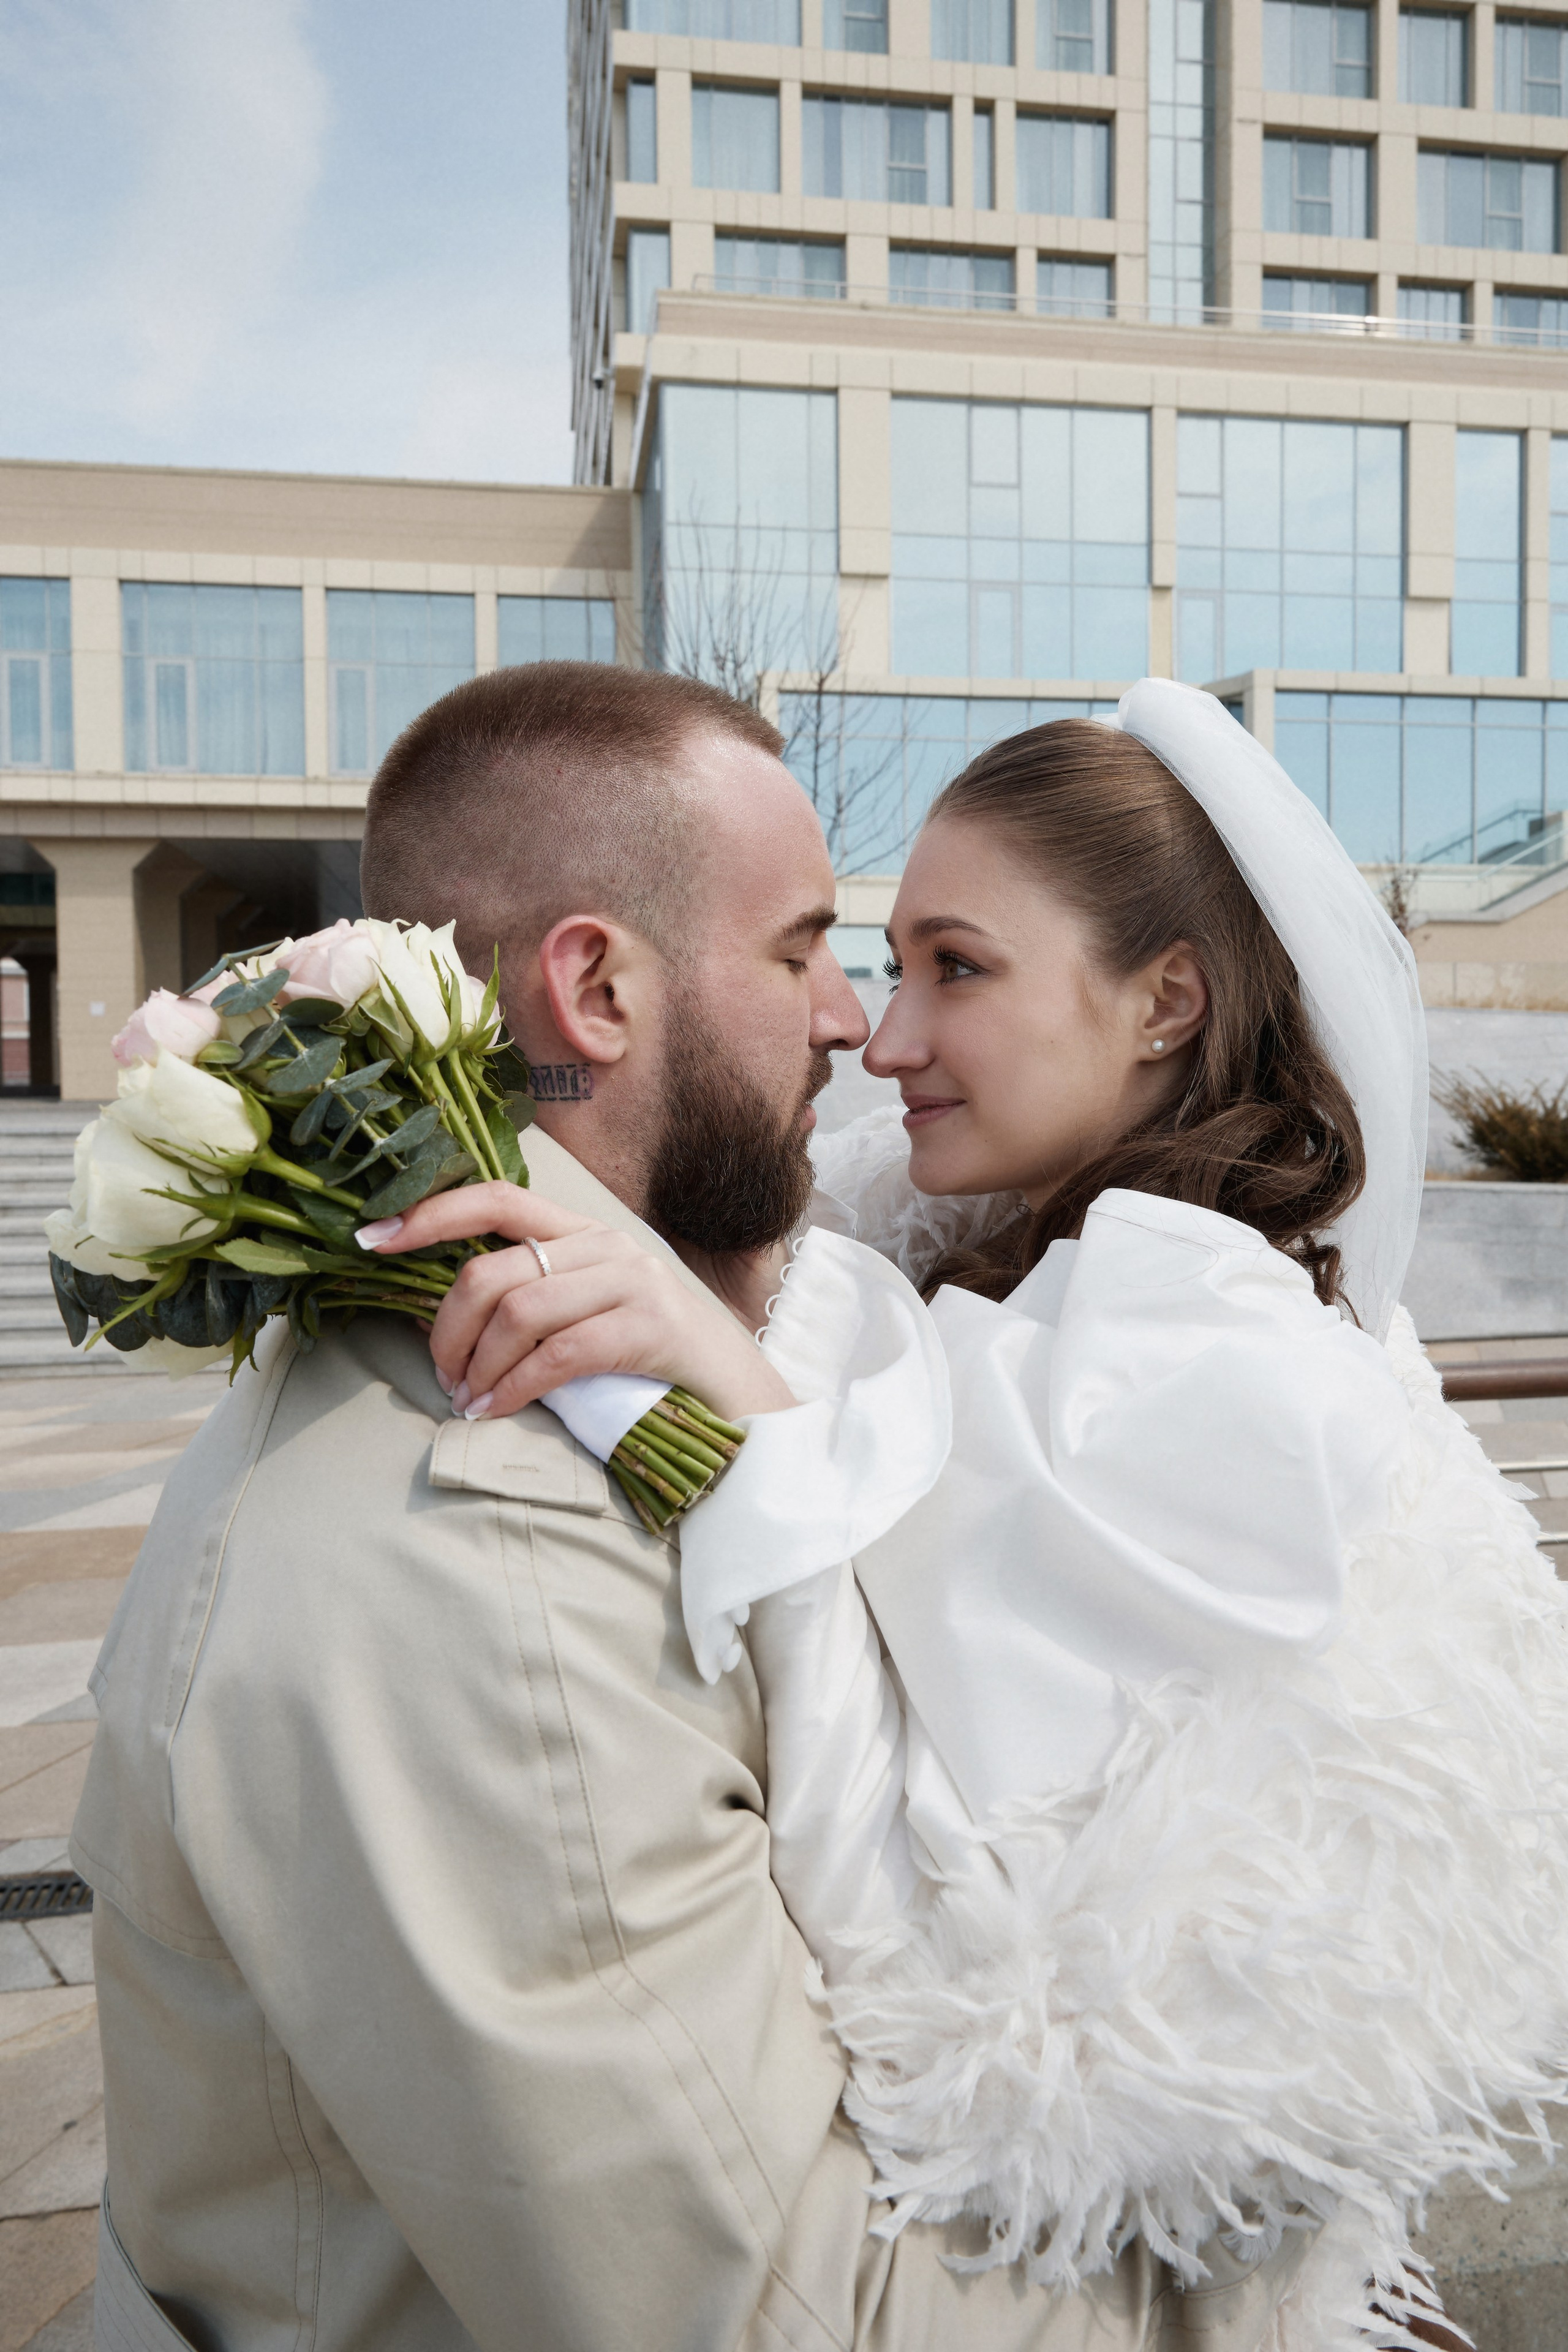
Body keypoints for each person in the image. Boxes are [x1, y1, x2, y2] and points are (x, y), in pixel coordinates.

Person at [71, 663, 1306, 2352]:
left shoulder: (619, 1364)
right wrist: (1287, 2297)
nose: (851, 1025)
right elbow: (800, 2320)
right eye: (804, 947)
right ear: (594, 988)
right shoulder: (481, 1559)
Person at [396, 684, 1568, 2350]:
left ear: (1165, 1001)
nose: (881, 1035)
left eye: (959, 966)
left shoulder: (1214, 1336)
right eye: (885, 958)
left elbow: (969, 1766)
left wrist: (716, 1364)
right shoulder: (1019, 1261)